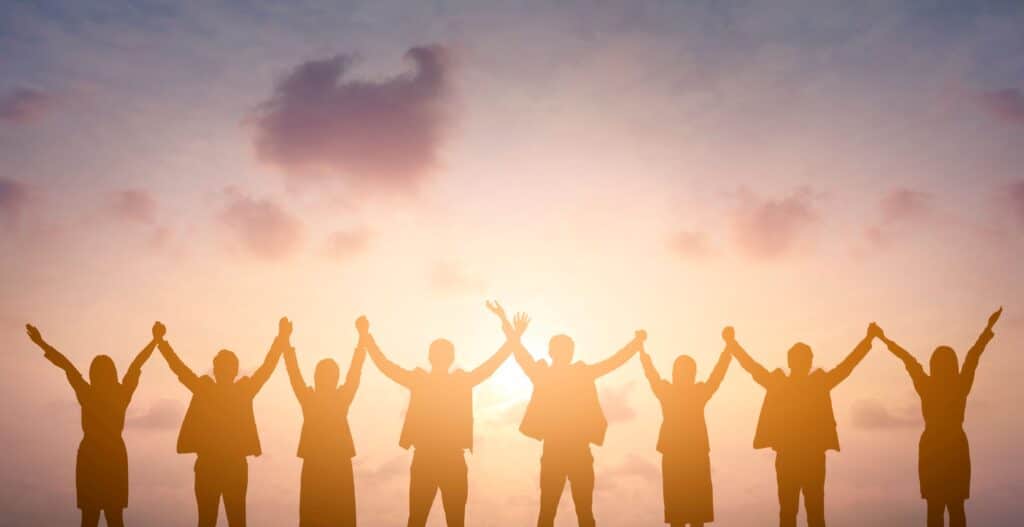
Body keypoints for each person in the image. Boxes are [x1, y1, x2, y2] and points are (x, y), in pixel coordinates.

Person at [361, 305, 529, 527]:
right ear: (449, 358)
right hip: (444, 460)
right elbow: (492, 365)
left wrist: (366, 337)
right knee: (444, 521)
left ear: (432, 357)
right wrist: (513, 334)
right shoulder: (455, 381)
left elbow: (386, 366)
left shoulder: (427, 380)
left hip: (433, 459)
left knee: (421, 520)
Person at [488, 301, 646, 527]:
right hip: (561, 451)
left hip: (571, 451)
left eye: (567, 349)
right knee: (558, 513)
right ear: (554, 352)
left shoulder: (563, 374)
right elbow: (520, 353)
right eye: (563, 349)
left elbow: (519, 353)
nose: (565, 353)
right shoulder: (557, 374)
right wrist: (506, 324)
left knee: (569, 513)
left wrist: (635, 343)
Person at [725, 324, 878, 527]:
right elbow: (846, 367)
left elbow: (752, 367)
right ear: (806, 362)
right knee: (808, 514)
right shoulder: (813, 383)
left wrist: (732, 344)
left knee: (795, 514)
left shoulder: (791, 383)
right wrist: (867, 341)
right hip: (803, 458)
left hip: (799, 458)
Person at [25, 321, 161, 527]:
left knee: (90, 519)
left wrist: (41, 343)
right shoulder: (120, 394)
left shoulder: (87, 394)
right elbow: (136, 365)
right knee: (114, 518)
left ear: (93, 374)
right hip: (113, 455)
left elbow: (66, 366)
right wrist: (154, 341)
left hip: (91, 455)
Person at [875, 308, 1002, 527]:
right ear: (953, 364)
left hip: (933, 448)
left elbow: (908, 359)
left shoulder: (927, 386)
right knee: (956, 509)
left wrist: (884, 339)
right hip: (954, 448)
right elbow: (973, 356)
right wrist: (987, 329)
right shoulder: (959, 386)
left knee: (935, 509)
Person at [157, 318, 288, 527]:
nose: (224, 371)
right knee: (226, 521)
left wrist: (161, 343)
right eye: (223, 368)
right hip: (222, 467)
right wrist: (280, 340)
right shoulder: (234, 391)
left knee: (217, 521)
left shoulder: (213, 390)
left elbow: (179, 370)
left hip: (219, 466)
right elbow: (266, 369)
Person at [639, 328, 732, 527]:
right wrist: (728, 349)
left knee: (688, 516)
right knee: (681, 515)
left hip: (687, 456)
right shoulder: (685, 392)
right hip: (681, 457)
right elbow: (717, 377)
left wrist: (728, 350)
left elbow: (717, 376)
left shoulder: (676, 392)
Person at [282, 316, 367, 527]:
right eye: (325, 374)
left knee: (338, 517)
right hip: (319, 464)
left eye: (330, 374)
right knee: (315, 516)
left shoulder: (331, 398)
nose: (327, 378)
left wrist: (362, 340)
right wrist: (285, 343)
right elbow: (294, 373)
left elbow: (354, 374)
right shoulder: (314, 398)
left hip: (332, 464)